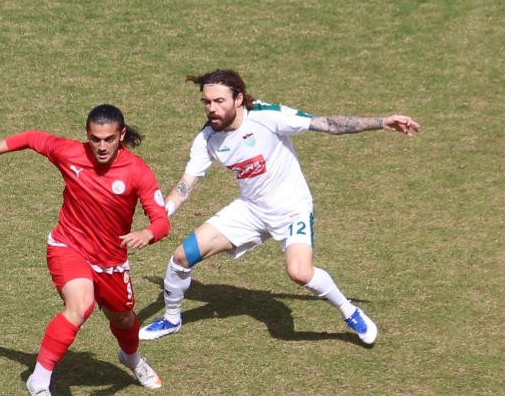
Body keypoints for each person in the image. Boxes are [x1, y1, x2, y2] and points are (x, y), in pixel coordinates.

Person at [139, 69, 420, 345]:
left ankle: (350, 312)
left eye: (219, 101)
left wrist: (381, 122)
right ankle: (172, 319)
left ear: (238, 99)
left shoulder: (267, 117)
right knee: (181, 257)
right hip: (251, 209)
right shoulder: (207, 138)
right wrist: (162, 215)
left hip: (291, 208)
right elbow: (186, 184)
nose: (212, 109)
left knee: (300, 273)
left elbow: (327, 124)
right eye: (207, 102)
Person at [0, 104, 170, 395]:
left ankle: (131, 358)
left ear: (121, 135)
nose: (101, 146)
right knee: (80, 305)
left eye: (109, 139)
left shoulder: (137, 171)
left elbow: (161, 221)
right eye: (95, 139)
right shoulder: (71, 153)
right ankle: (39, 381)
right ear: (87, 134)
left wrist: (147, 233)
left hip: (111, 261)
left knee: (124, 318)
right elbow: (32, 138)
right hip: (68, 246)